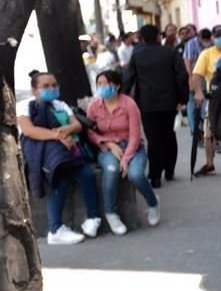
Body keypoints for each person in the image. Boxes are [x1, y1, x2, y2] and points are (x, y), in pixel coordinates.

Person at [17, 72, 101, 245]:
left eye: (54, 85)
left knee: (87, 175)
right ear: (34, 90)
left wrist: (65, 131)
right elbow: (29, 130)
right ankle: (55, 229)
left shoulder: (60, 104)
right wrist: (58, 136)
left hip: (68, 152)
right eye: (46, 86)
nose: (52, 89)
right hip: (42, 155)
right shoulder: (25, 106)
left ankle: (93, 218)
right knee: (58, 179)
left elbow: (77, 125)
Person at [86, 69, 160, 233]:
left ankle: (153, 202)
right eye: (100, 83)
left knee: (135, 174)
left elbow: (135, 134)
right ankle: (111, 214)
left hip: (132, 147)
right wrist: (108, 144)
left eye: (107, 83)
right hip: (107, 148)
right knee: (111, 170)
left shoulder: (129, 104)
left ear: (117, 85)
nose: (103, 87)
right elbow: (90, 131)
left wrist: (126, 158)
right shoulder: (94, 106)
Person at [123, 24, 189, 187]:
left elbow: (129, 78)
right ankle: (169, 169)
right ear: (159, 36)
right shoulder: (171, 52)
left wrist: (123, 98)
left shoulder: (137, 55)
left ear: (142, 39)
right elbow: (181, 76)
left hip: (146, 103)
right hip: (169, 102)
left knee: (153, 138)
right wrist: (182, 98)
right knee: (168, 134)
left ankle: (155, 175)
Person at [191, 24, 221, 178]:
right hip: (214, 99)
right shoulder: (207, 54)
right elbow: (196, 75)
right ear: (213, 38)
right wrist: (199, 93)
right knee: (209, 133)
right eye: (218, 35)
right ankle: (209, 162)